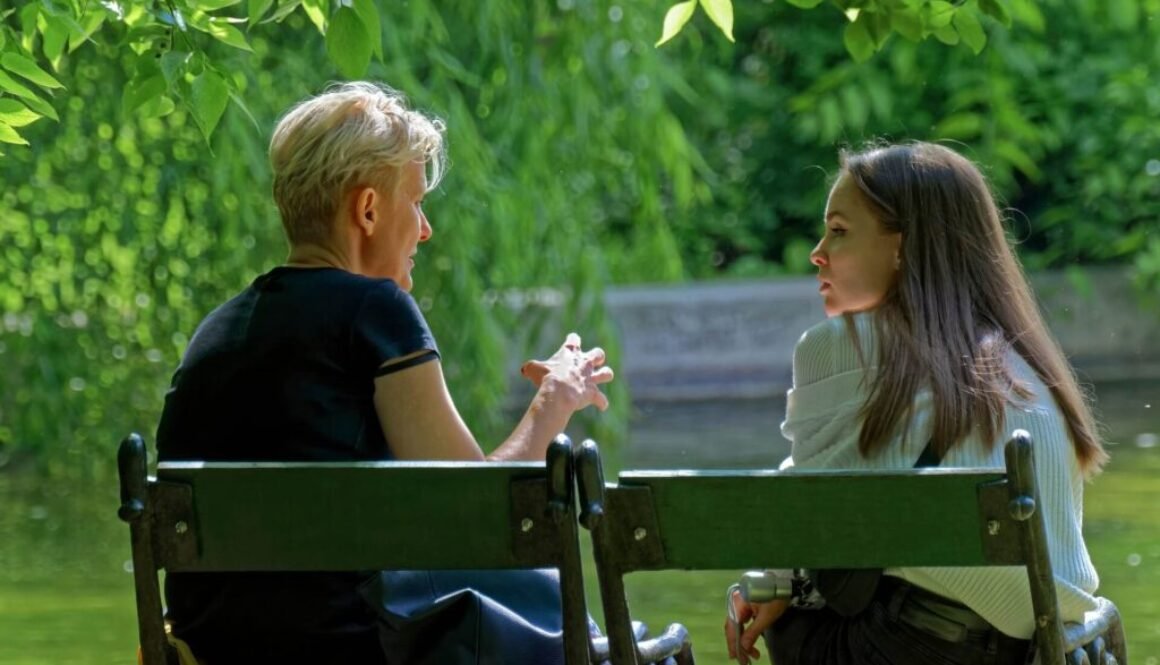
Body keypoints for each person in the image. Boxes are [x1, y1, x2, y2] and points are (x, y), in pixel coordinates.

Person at [155, 81, 614, 664]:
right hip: (351, 647)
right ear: (368, 210)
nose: (425, 229)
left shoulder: (215, 333)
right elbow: (476, 518)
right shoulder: (376, 313)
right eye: (416, 201)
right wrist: (554, 400)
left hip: (216, 649)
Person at [724, 141, 1107, 665]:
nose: (818, 251)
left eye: (838, 231)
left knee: (784, 599)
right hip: (1040, 649)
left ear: (904, 247)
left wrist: (773, 583)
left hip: (903, 649)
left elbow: (805, 514)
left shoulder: (837, 346)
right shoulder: (1030, 367)